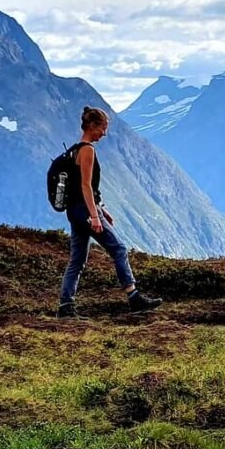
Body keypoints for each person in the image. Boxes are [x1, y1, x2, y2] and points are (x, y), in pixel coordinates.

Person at [57, 106, 164, 319]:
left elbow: (82, 187)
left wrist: (102, 209)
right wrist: (95, 216)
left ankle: (66, 307)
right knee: (119, 248)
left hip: (75, 211)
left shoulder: (74, 150)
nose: (104, 133)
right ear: (93, 126)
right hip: (86, 211)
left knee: (77, 260)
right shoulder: (87, 150)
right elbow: (86, 186)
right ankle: (134, 297)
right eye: (103, 128)